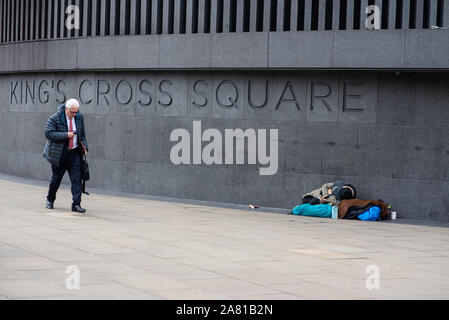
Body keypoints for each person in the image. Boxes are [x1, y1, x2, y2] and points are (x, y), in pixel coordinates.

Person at [42, 99, 88, 213]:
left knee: (77, 179)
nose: (74, 114)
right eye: (72, 112)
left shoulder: (79, 117)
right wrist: (66, 135)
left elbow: (82, 135)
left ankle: (76, 204)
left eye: (76, 112)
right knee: (56, 179)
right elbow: (48, 133)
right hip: (59, 154)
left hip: (74, 153)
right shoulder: (55, 118)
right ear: (66, 109)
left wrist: (85, 147)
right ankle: (50, 199)